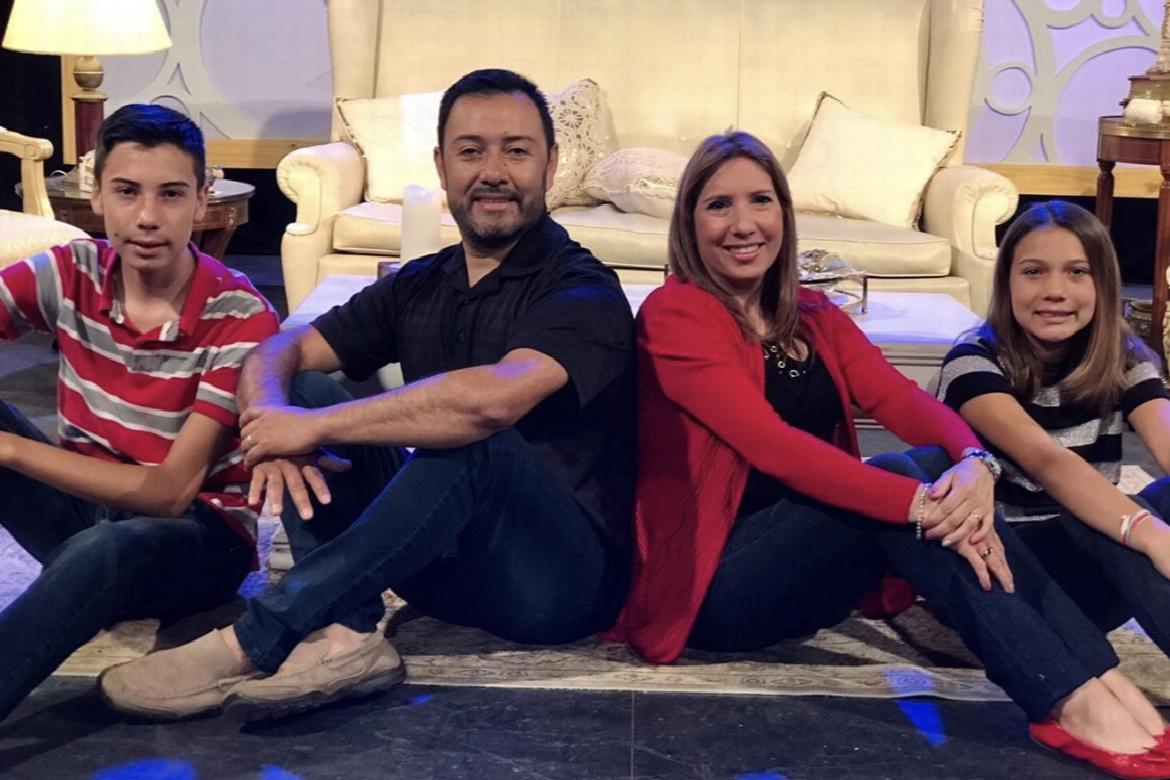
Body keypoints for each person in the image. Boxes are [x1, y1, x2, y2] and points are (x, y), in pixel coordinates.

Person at [604, 132, 1170, 778]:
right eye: (718, 205)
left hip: (809, 577)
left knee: (933, 471)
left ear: (784, 213)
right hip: (718, 584)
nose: (743, 223)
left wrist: (973, 462)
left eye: (760, 200)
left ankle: (1091, 680)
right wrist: (925, 504)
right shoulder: (675, 315)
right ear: (689, 222)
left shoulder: (812, 313)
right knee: (908, 483)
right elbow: (775, 447)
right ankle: (1070, 697)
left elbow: (899, 398)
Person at [100, 68, 635, 723]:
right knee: (304, 390)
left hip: (555, 584)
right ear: (441, 166)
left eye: (516, 151)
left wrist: (313, 429)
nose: (493, 171)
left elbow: (488, 402)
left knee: (475, 441)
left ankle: (255, 639)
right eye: (471, 151)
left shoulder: (583, 288)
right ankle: (343, 634)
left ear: (550, 166)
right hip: (438, 575)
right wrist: (273, 415)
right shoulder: (421, 282)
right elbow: (280, 348)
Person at [0, 104, 279, 721]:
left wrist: (14, 449)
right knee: (98, 543)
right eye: (127, 192)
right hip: (88, 513)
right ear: (98, 196)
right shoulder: (71, 271)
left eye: (171, 194)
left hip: (197, 540)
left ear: (201, 202)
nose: (148, 217)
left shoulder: (240, 315)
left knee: (107, 549)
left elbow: (170, 492)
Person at [936, 200, 1170, 659]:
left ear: (1103, 284)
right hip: (1006, 575)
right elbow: (1048, 461)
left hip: (1095, 574)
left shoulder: (1123, 356)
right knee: (1115, 518)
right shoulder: (972, 362)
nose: (1055, 291)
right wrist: (1146, 530)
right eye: (1034, 272)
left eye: (1077, 272)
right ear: (1006, 282)